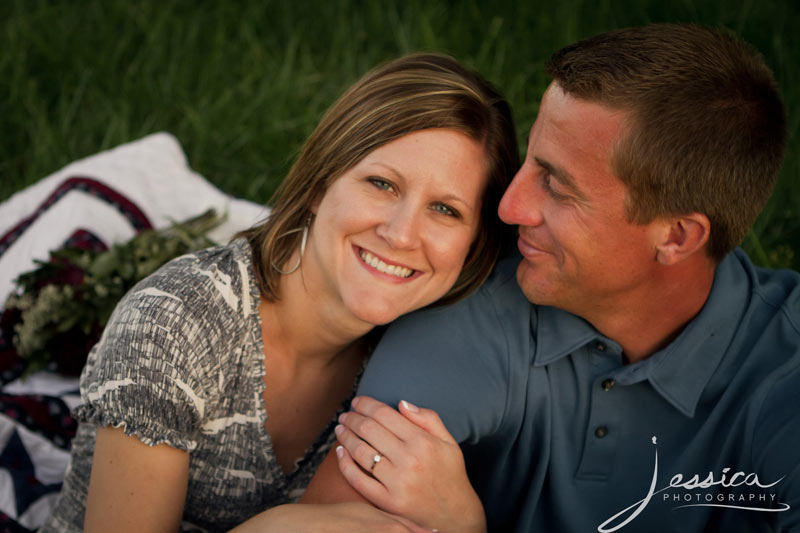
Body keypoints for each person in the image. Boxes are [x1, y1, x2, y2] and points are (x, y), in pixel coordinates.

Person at [303, 23, 800, 532]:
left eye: (556, 187)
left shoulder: (784, 374)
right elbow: (324, 522)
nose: (508, 206)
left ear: (675, 237)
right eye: (530, 164)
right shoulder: (479, 307)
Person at [41, 52, 520, 533]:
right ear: (318, 184)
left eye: (445, 209)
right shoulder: (175, 323)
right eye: (382, 183)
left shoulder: (432, 351)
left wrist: (464, 519)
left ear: (475, 244)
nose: (401, 234)